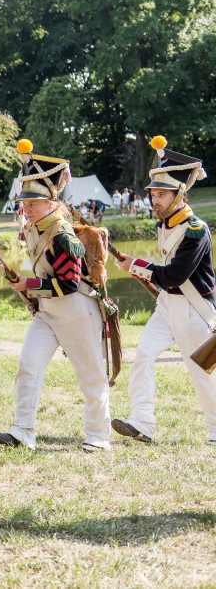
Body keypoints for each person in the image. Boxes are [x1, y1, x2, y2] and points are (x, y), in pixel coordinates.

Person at [0, 140, 111, 453]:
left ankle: (99, 435)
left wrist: (29, 285)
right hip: (48, 312)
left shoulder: (62, 236)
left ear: (52, 203)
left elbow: (69, 284)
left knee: (91, 377)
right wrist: (26, 282)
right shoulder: (33, 228)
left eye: (34, 202)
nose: (27, 207)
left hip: (76, 311)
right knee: (28, 366)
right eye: (25, 202)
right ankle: (23, 431)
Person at [113, 137, 216, 446]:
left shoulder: (196, 230)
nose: (154, 200)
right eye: (153, 194)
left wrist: (136, 266)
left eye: (161, 194)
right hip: (168, 306)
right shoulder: (164, 223)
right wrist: (143, 268)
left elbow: (174, 275)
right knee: (143, 356)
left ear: (179, 194)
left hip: (193, 310)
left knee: (203, 376)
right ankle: (142, 422)